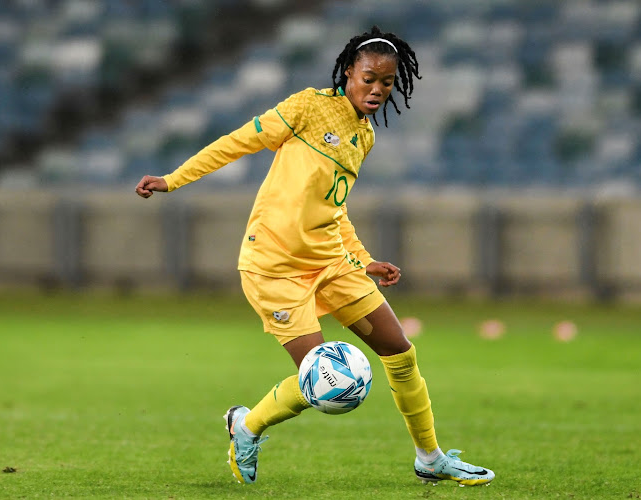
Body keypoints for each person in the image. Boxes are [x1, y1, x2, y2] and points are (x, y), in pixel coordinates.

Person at [135, 26, 495, 487]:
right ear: (349, 72)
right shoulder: (307, 106)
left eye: (387, 82)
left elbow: (334, 209)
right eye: (370, 78)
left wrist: (364, 261)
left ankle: (430, 457)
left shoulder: (363, 137)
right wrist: (174, 178)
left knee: (400, 352)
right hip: (274, 269)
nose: (378, 89)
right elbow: (239, 141)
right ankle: (246, 426)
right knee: (322, 383)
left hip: (330, 264)